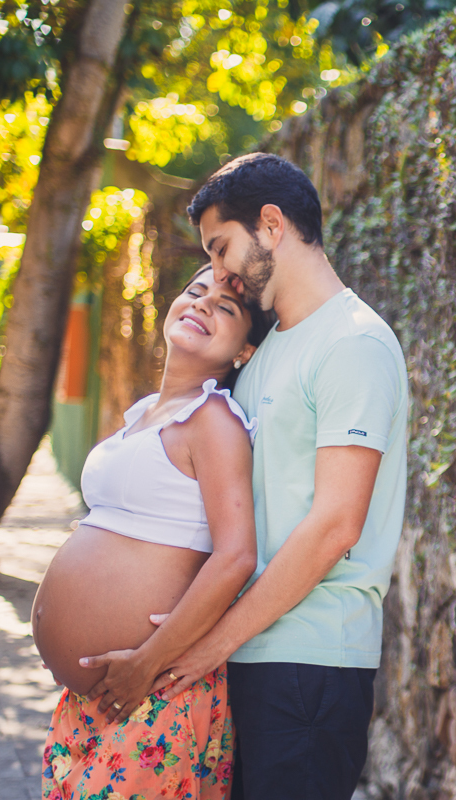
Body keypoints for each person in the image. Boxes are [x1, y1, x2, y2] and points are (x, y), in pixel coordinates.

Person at [142, 152, 410, 799]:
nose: (217, 272)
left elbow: (335, 526)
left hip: (308, 665)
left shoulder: (353, 344)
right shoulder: (270, 350)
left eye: (221, 248)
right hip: (251, 655)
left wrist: (211, 645)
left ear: (270, 224)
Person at [32, 265, 273, 799]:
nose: (203, 303)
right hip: (95, 698)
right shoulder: (144, 413)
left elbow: (236, 556)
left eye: (226, 307)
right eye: (196, 291)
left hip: (154, 687)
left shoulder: (214, 420)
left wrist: (148, 661)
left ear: (245, 351)